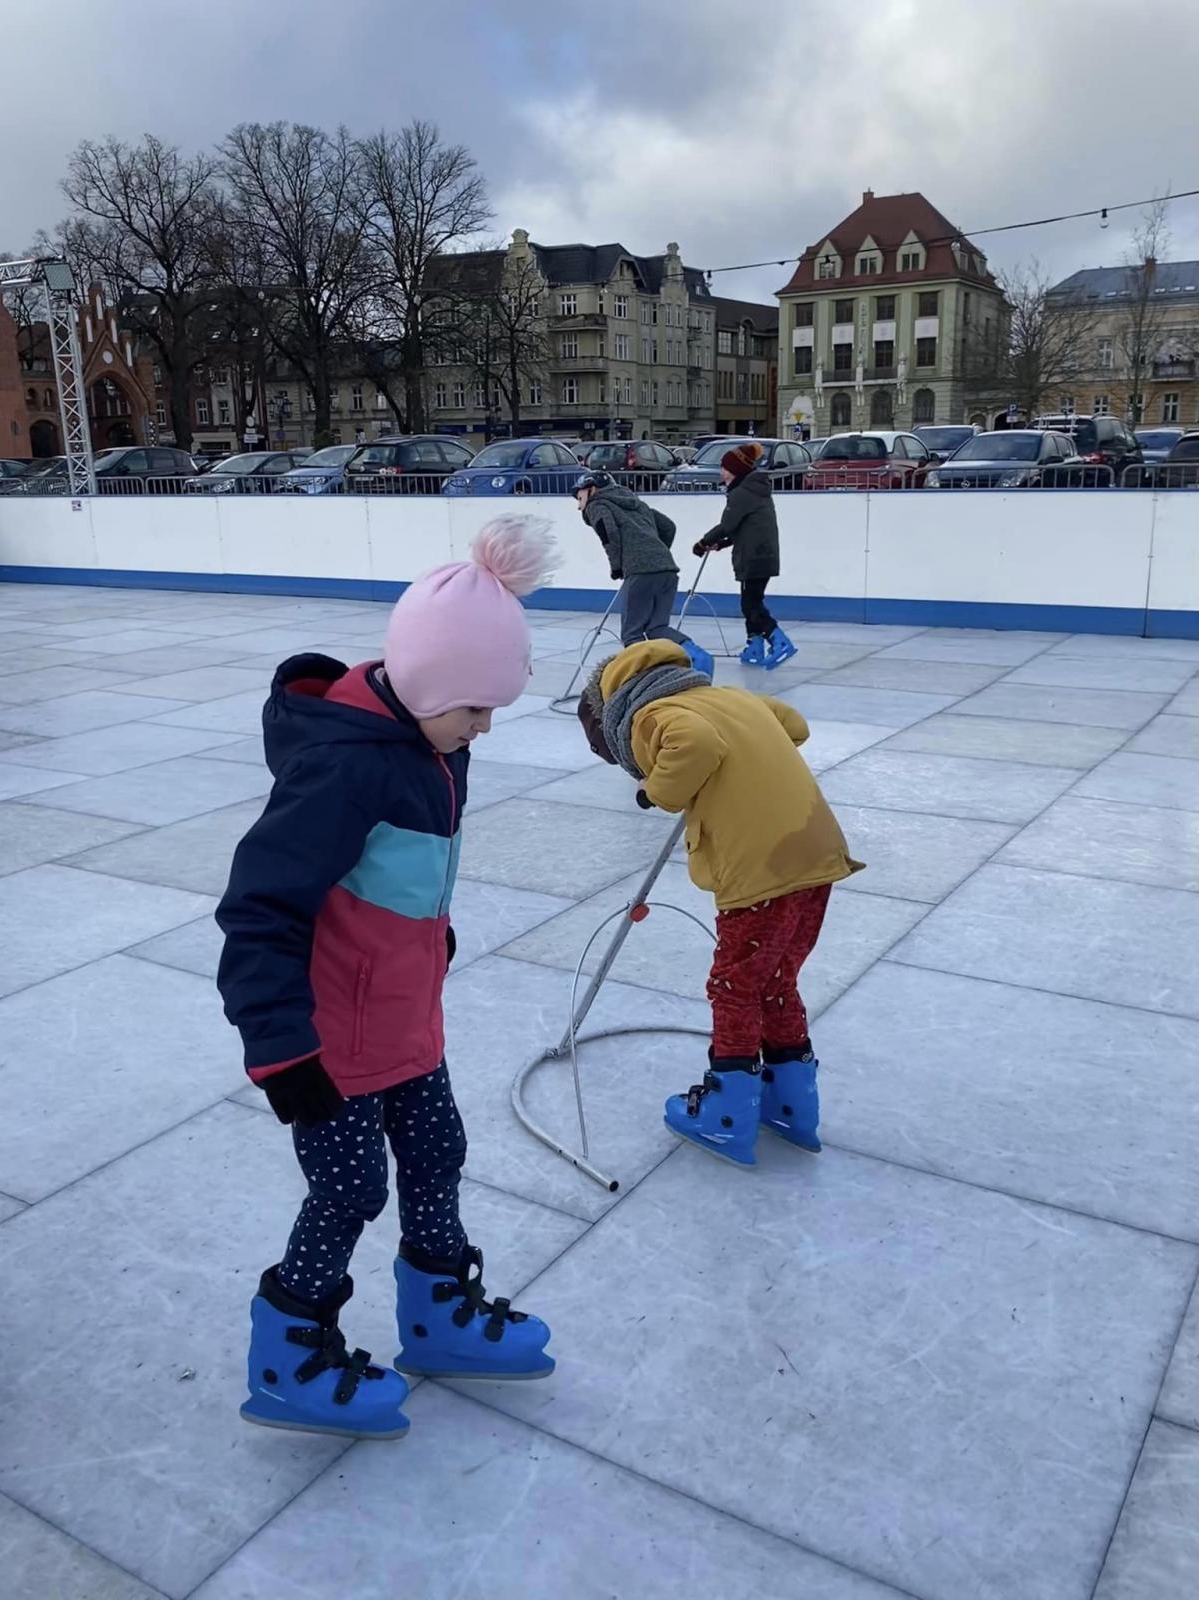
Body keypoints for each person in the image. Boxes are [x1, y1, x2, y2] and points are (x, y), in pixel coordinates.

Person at [216, 517, 559, 1442]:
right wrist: (280, 1047)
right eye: (474, 708)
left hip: (406, 1017)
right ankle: (290, 1351)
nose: (484, 727)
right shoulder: (342, 771)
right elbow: (258, 909)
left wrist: (425, 944)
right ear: (427, 683)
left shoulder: (432, 745)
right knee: (350, 1189)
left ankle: (438, 1315)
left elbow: (396, 877)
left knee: (439, 1151)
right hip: (330, 1040)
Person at [577, 638, 863, 1167]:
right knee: (775, 981)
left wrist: (655, 791)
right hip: (817, 854)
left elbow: (695, 742)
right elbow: (794, 725)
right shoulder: (732, 697)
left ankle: (728, 1115)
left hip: (762, 872)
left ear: (614, 701)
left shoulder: (651, 713)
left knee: (734, 987)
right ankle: (793, 1104)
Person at [574, 470, 714, 677]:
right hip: (667, 569)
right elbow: (668, 527)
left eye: (579, 498)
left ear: (592, 489)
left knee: (632, 634)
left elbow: (608, 533)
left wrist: (617, 566)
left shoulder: (597, 505)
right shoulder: (636, 503)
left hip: (640, 572)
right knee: (657, 628)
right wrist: (655, 554)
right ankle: (698, 656)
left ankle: (643, 680)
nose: (579, 506)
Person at [692, 441, 797, 669]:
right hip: (762, 554)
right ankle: (754, 646)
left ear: (735, 470)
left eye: (724, 467)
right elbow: (745, 528)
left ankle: (779, 640)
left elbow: (727, 525)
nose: (721, 472)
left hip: (754, 556)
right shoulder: (754, 490)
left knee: (751, 605)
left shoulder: (742, 493)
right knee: (750, 602)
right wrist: (721, 545)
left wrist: (703, 543)